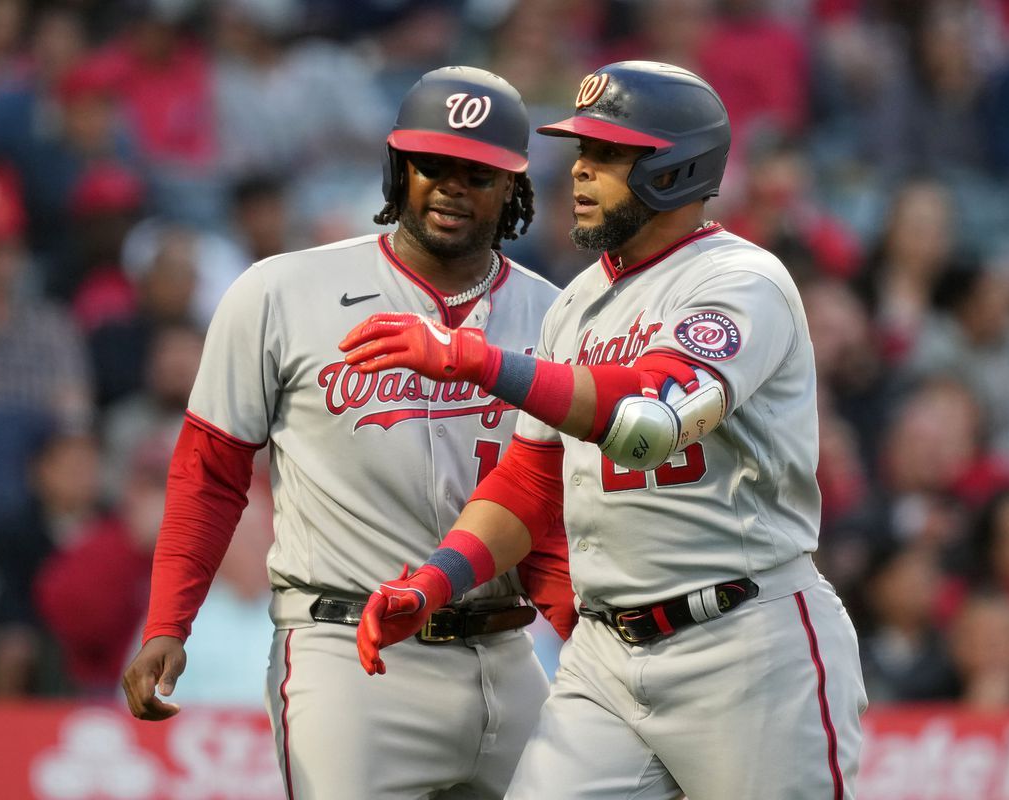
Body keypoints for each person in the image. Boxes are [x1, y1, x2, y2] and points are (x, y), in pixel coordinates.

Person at [341, 61, 867, 799]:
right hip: (605, 656)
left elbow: (648, 425)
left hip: (745, 644)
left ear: (675, 168)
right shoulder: (578, 303)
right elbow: (532, 480)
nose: (580, 172)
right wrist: (436, 581)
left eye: (609, 155)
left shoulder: (740, 282)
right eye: (582, 151)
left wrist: (474, 359)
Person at [120, 66, 575, 800]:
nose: (453, 185)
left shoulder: (558, 317)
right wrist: (169, 621)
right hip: (347, 650)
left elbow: (552, 508)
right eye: (433, 164)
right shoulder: (280, 292)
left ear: (514, 189)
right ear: (399, 169)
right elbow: (210, 471)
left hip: (507, 649)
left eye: (479, 172)